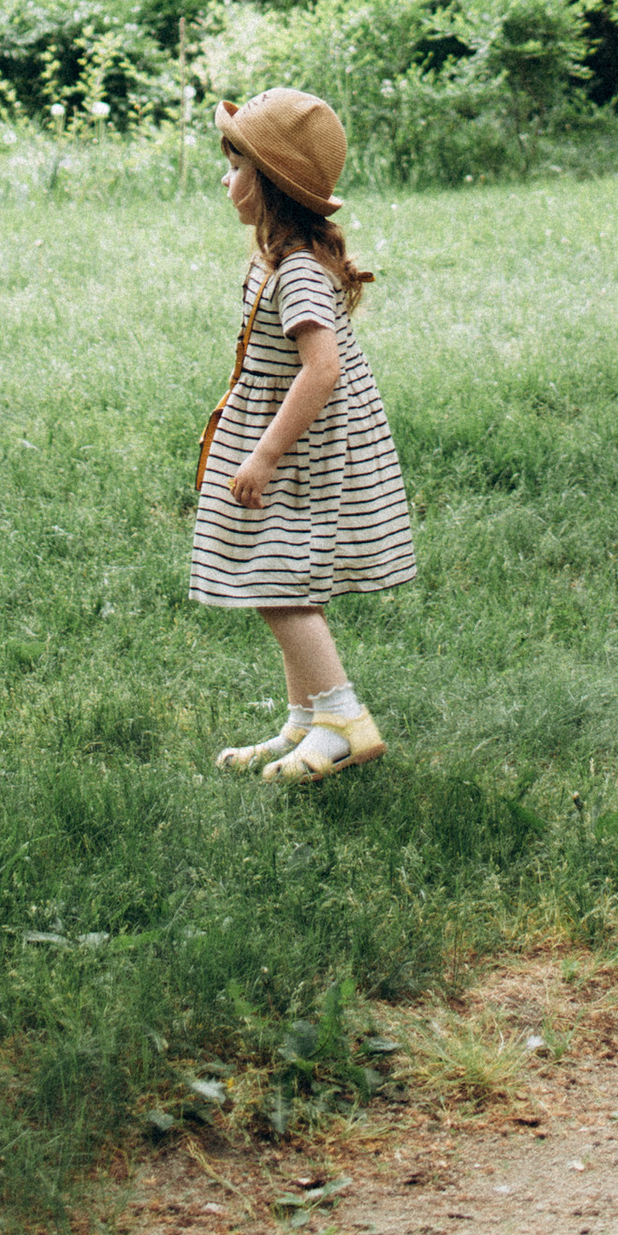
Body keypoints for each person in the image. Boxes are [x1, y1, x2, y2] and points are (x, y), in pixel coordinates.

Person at [192, 85, 415, 780]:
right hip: (293, 444)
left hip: (303, 454)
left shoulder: (298, 273)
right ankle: (305, 719)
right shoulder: (279, 260)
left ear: (271, 184)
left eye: (236, 167)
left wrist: (263, 455)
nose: (226, 179)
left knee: (275, 581)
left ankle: (344, 720)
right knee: (284, 577)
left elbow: (322, 369)